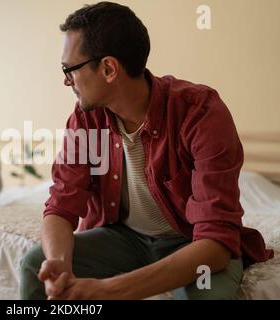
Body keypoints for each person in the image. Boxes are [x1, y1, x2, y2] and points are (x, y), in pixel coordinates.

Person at [20, 2, 273, 300]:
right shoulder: (87, 119)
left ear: (109, 69)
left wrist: (108, 290)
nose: (66, 80)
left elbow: (215, 243)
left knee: (205, 296)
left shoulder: (200, 112)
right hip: (124, 238)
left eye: (69, 69)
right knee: (34, 264)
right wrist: (60, 264)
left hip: (192, 243)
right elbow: (61, 205)